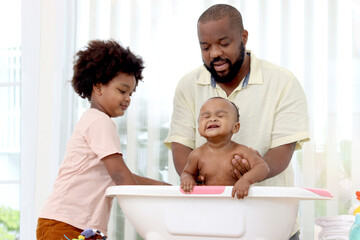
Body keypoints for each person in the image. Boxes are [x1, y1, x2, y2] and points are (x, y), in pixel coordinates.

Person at [164, 4, 309, 239]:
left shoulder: (283, 82)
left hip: (271, 224)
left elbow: (283, 150)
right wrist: (195, 175)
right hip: (206, 225)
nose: (214, 54)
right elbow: (181, 144)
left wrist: (250, 172)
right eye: (205, 47)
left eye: (224, 43)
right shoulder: (188, 85)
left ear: (243, 37)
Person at [36, 40, 169, 240]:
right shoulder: (100, 121)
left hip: (80, 227)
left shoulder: (94, 121)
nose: (128, 99)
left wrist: (165, 189)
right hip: (66, 224)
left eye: (131, 93)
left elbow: (121, 176)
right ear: (98, 86)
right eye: (122, 91)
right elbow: (120, 177)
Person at [180, 97, 269, 199]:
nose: (212, 119)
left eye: (220, 115)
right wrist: (187, 179)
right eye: (206, 117)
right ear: (199, 129)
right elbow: (187, 173)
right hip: (207, 205)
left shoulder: (241, 151)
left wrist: (246, 180)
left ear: (235, 127)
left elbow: (262, 167)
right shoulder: (197, 155)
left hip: (235, 203)